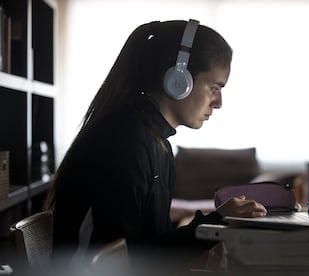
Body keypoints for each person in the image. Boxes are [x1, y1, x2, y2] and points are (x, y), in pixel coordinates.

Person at [44, 19, 267, 272]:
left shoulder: (154, 141)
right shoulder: (125, 143)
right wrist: (217, 222)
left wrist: (215, 225)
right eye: (214, 87)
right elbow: (134, 255)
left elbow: (149, 243)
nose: (219, 103)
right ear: (179, 79)